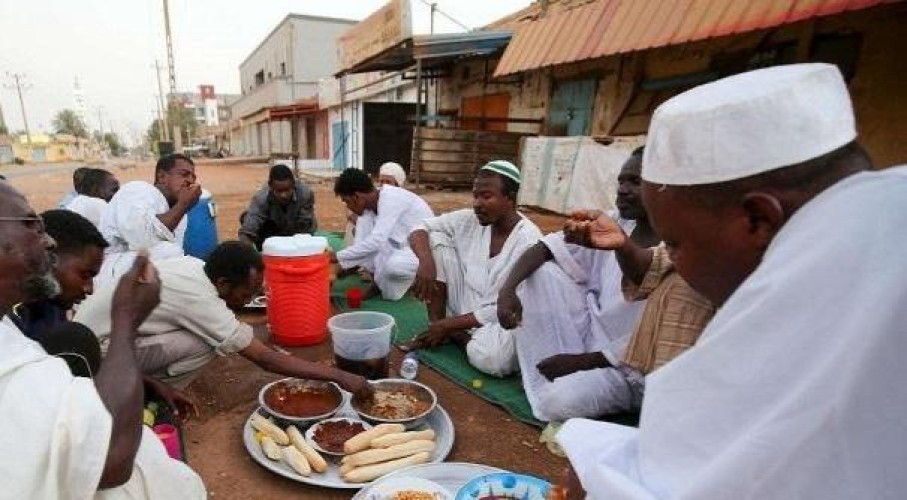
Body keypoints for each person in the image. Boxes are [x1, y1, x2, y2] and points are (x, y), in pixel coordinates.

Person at [557, 64, 907, 499]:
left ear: (757, 219)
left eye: (676, 243)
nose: (674, 262)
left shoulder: (824, 287)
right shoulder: (875, 219)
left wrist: (595, 475)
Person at [0, 181, 206, 498]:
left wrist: (148, 382)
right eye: (30, 224)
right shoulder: (54, 337)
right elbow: (110, 460)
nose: (48, 241)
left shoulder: (31, 320)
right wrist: (127, 320)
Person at [495, 150, 677, 421]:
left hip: (631, 369)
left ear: (663, 188)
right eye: (621, 181)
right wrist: (507, 290)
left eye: (635, 182)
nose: (623, 190)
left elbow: (657, 341)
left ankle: (561, 380)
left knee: (556, 402)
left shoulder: (681, 247)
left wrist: (582, 362)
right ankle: (549, 372)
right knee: (542, 273)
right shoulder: (614, 223)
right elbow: (545, 246)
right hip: (591, 336)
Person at [76, 240, 374, 398]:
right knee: (209, 344)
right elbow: (265, 360)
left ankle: (148, 382)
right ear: (222, 283)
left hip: (93, 339)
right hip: (95, 358)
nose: (249, 299)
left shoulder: (195, 267)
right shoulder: (199, 297)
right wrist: (339, 376)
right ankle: (151, 392)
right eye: (247, 293)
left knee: (214, 334)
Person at [10, 209, 196, 414]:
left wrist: (147, 384)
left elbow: (85, 365)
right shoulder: (11, 318)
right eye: (85, 275)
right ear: (48, 257)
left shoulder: (51, 308)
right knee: (77, 339)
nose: (89, 289)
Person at [406, 161, 542, 377]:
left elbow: (510, 306)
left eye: (486, 196)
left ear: (510, 197)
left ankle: (452, 333)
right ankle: (438, 324)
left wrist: (450, 325)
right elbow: (420, 227)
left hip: (500, 316)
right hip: (465, 302)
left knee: (495, 360)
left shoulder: (529, 241)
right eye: (475, 196)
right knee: (436, 238)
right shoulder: (470, 219)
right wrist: (426, 263)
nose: (477, 204)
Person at [96, 153, 200, 287]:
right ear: (162, 177)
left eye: (193, 177)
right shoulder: (138, 190)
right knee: (169, 253)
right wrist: (183, 205)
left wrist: (181, 208)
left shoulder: (179, 213)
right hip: (110, 270)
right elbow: (142, 241)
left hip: (142, 270)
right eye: (184, 174)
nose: (190, 180)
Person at [331, 168, 434, 301]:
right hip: (399, 245)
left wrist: (337, 257)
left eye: (346, 201)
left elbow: (376, 242)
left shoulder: (391, 198)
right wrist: (342, 264)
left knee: (394, 267)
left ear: (357, 197)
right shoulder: (368, 207)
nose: (348, 207)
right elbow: (363, 244)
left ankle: (413, 279)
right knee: (364, 234)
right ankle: (377, 283)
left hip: (424, 251)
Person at [238, 164, 316, 249]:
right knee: (245, 217)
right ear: (270, 186)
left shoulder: (305, 194)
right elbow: (247, 232)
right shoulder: (261, 198)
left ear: (293, 184)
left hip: (297, 231)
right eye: (279, 191)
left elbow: (305, 225)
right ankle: (264, 248)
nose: (283, 195)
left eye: (287, 190)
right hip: (273, 233)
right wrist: (249, 252)